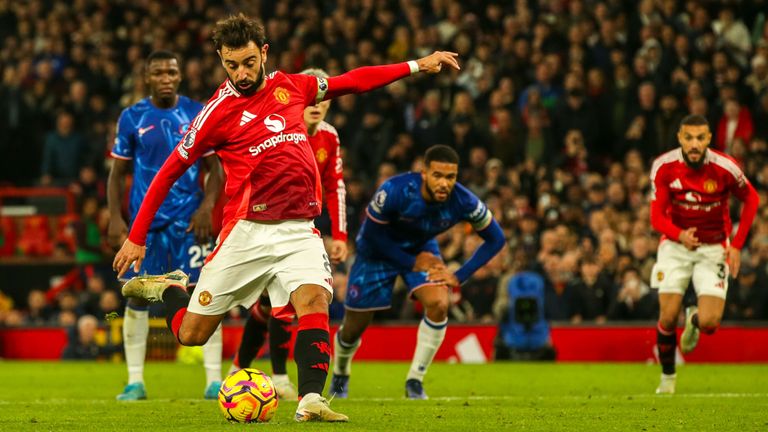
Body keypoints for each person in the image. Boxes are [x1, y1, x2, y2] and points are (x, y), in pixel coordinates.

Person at [113, 14, 459, 422]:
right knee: (192, 334)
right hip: (246, 232)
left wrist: (419, 63)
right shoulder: (215, 112)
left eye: (247, 62)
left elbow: (355, 80)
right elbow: (168, 171)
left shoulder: (293, 86)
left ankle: (311, 399)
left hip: (299, 230)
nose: (240, 73)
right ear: (221, 60)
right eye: (230, 65)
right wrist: (136, 236)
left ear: (263, 53)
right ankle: (170, 288)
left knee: (314, 301)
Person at [330, 145, 505, 400]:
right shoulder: (395, 190)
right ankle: (341, 372)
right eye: (438, 175)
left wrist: (460, 275)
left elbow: (496, 239)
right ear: (424, 173)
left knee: (439, 303)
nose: (445, 183)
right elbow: (370, 234)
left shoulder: (464, 201)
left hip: (422, 248)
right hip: (378, 252)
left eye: (450, 177)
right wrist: (411, 261)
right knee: (354, 326)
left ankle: (415, 381)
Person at [108, 50, 224, 401]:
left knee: (205, 296)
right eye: (158, 72)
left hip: (189, 224)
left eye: (171, 72)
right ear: (147, 77)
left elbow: (216, 169)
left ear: (179, 76)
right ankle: (135, 382)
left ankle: (213, 380)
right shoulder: (132, 117)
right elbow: (117, 174)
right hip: (148, 229)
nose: (166, 78)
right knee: (136, 300)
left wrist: (207, 207)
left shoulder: (196, 113)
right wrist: (116, 218)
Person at [231, 67, 348, 401]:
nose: (316, 104)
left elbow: (335, 185)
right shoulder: (276, 128)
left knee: (281, 300)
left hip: (305, 225)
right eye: (310, 97)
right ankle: (270, 373)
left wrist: (339, 234)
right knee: (273, 301)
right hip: (266, 224)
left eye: (321, 99)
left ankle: (250, 369)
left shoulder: (329, 136)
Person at [649, 114, 759, 394]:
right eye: (689, 138)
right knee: (668, 316)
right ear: (680, 138)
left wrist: (736, 245)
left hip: (713, 249)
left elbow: (752, 199)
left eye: (700, 138)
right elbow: (656, 218)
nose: (694, 144)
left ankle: (695, 319)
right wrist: (679, 235)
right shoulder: (664, 167)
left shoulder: (725, 168)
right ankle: (668, 378)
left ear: (709, 139)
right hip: (676, 247)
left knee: (711, 323)